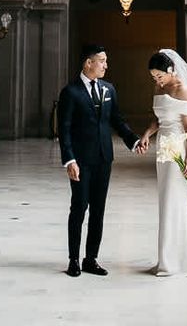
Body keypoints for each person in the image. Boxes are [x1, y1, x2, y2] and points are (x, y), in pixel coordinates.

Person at [57, 43, 141, 277]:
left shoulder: (108, 89)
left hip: (104, 158)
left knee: (98, 210)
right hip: (81, 161)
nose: (106, 65)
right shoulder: (70, 92)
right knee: (79, 208)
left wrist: (134, 141)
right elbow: (63, 130)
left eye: (105, 61)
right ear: (88, 63)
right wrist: (69, 160)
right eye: (102, 61)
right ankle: (73, 259)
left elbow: (117, 120)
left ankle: (90, 259)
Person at [138, 49, 187, 276]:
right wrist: (146, 134)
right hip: (163, 148)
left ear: (171, 70)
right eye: (153, 77)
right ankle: (167, 259)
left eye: (159, 76)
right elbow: (157, 119)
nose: (157, 81)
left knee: (175, 203)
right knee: (165, 202)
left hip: (178, 149)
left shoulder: (183, 89)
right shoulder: (158, 88)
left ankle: (175, 261)